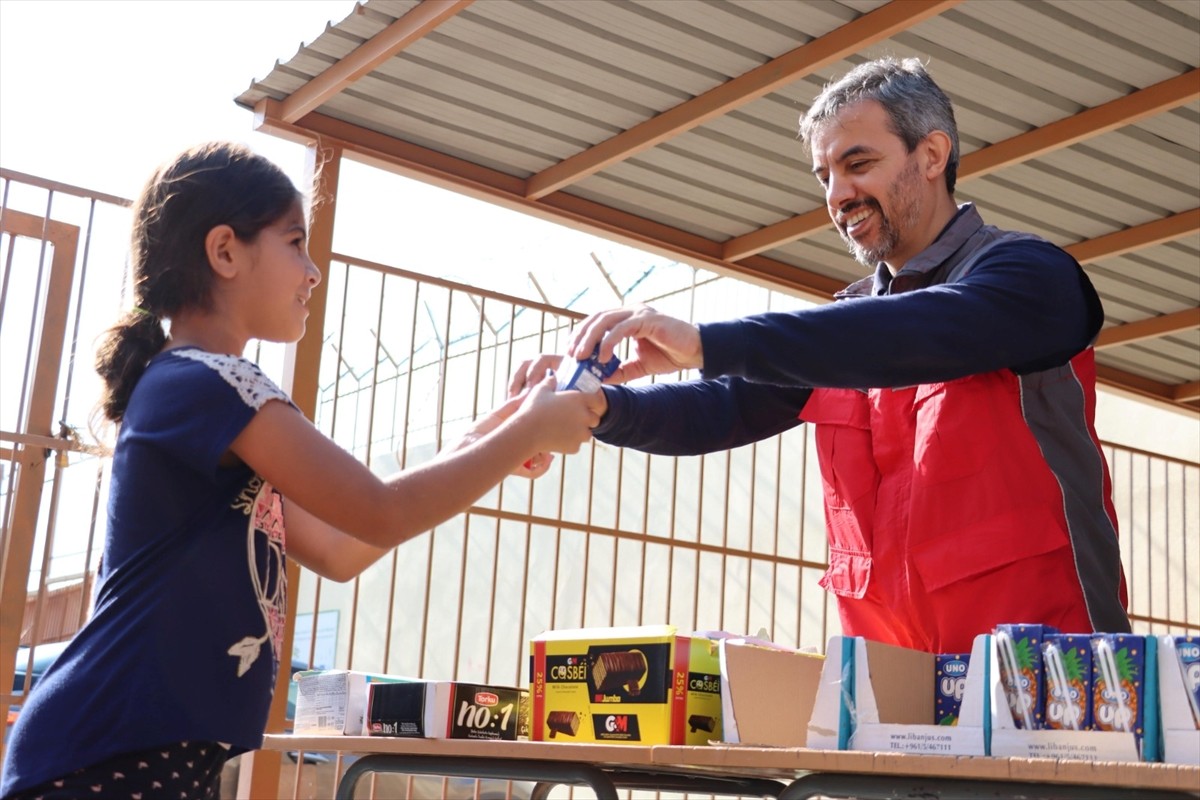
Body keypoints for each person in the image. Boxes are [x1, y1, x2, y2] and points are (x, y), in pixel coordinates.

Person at [1, 141, 603, 800]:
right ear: (225, 250)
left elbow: (344, 547)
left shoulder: (198, 392)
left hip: (129, 751)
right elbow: (380, 509)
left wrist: (498, 434)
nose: (313, 272)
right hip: (109, 754)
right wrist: (524, 430)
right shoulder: (209, 383)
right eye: (295, 243)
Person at [511, 57, 1131, 656]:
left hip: (1054, 673)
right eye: (825, 176)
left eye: (858, 164)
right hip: (891, 692)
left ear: (932, 155)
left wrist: (708, 343)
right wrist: (594, 409)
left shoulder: (1029, 278)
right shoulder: (842, 330)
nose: (839, 195)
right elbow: (724, 407)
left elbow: (912, 335)